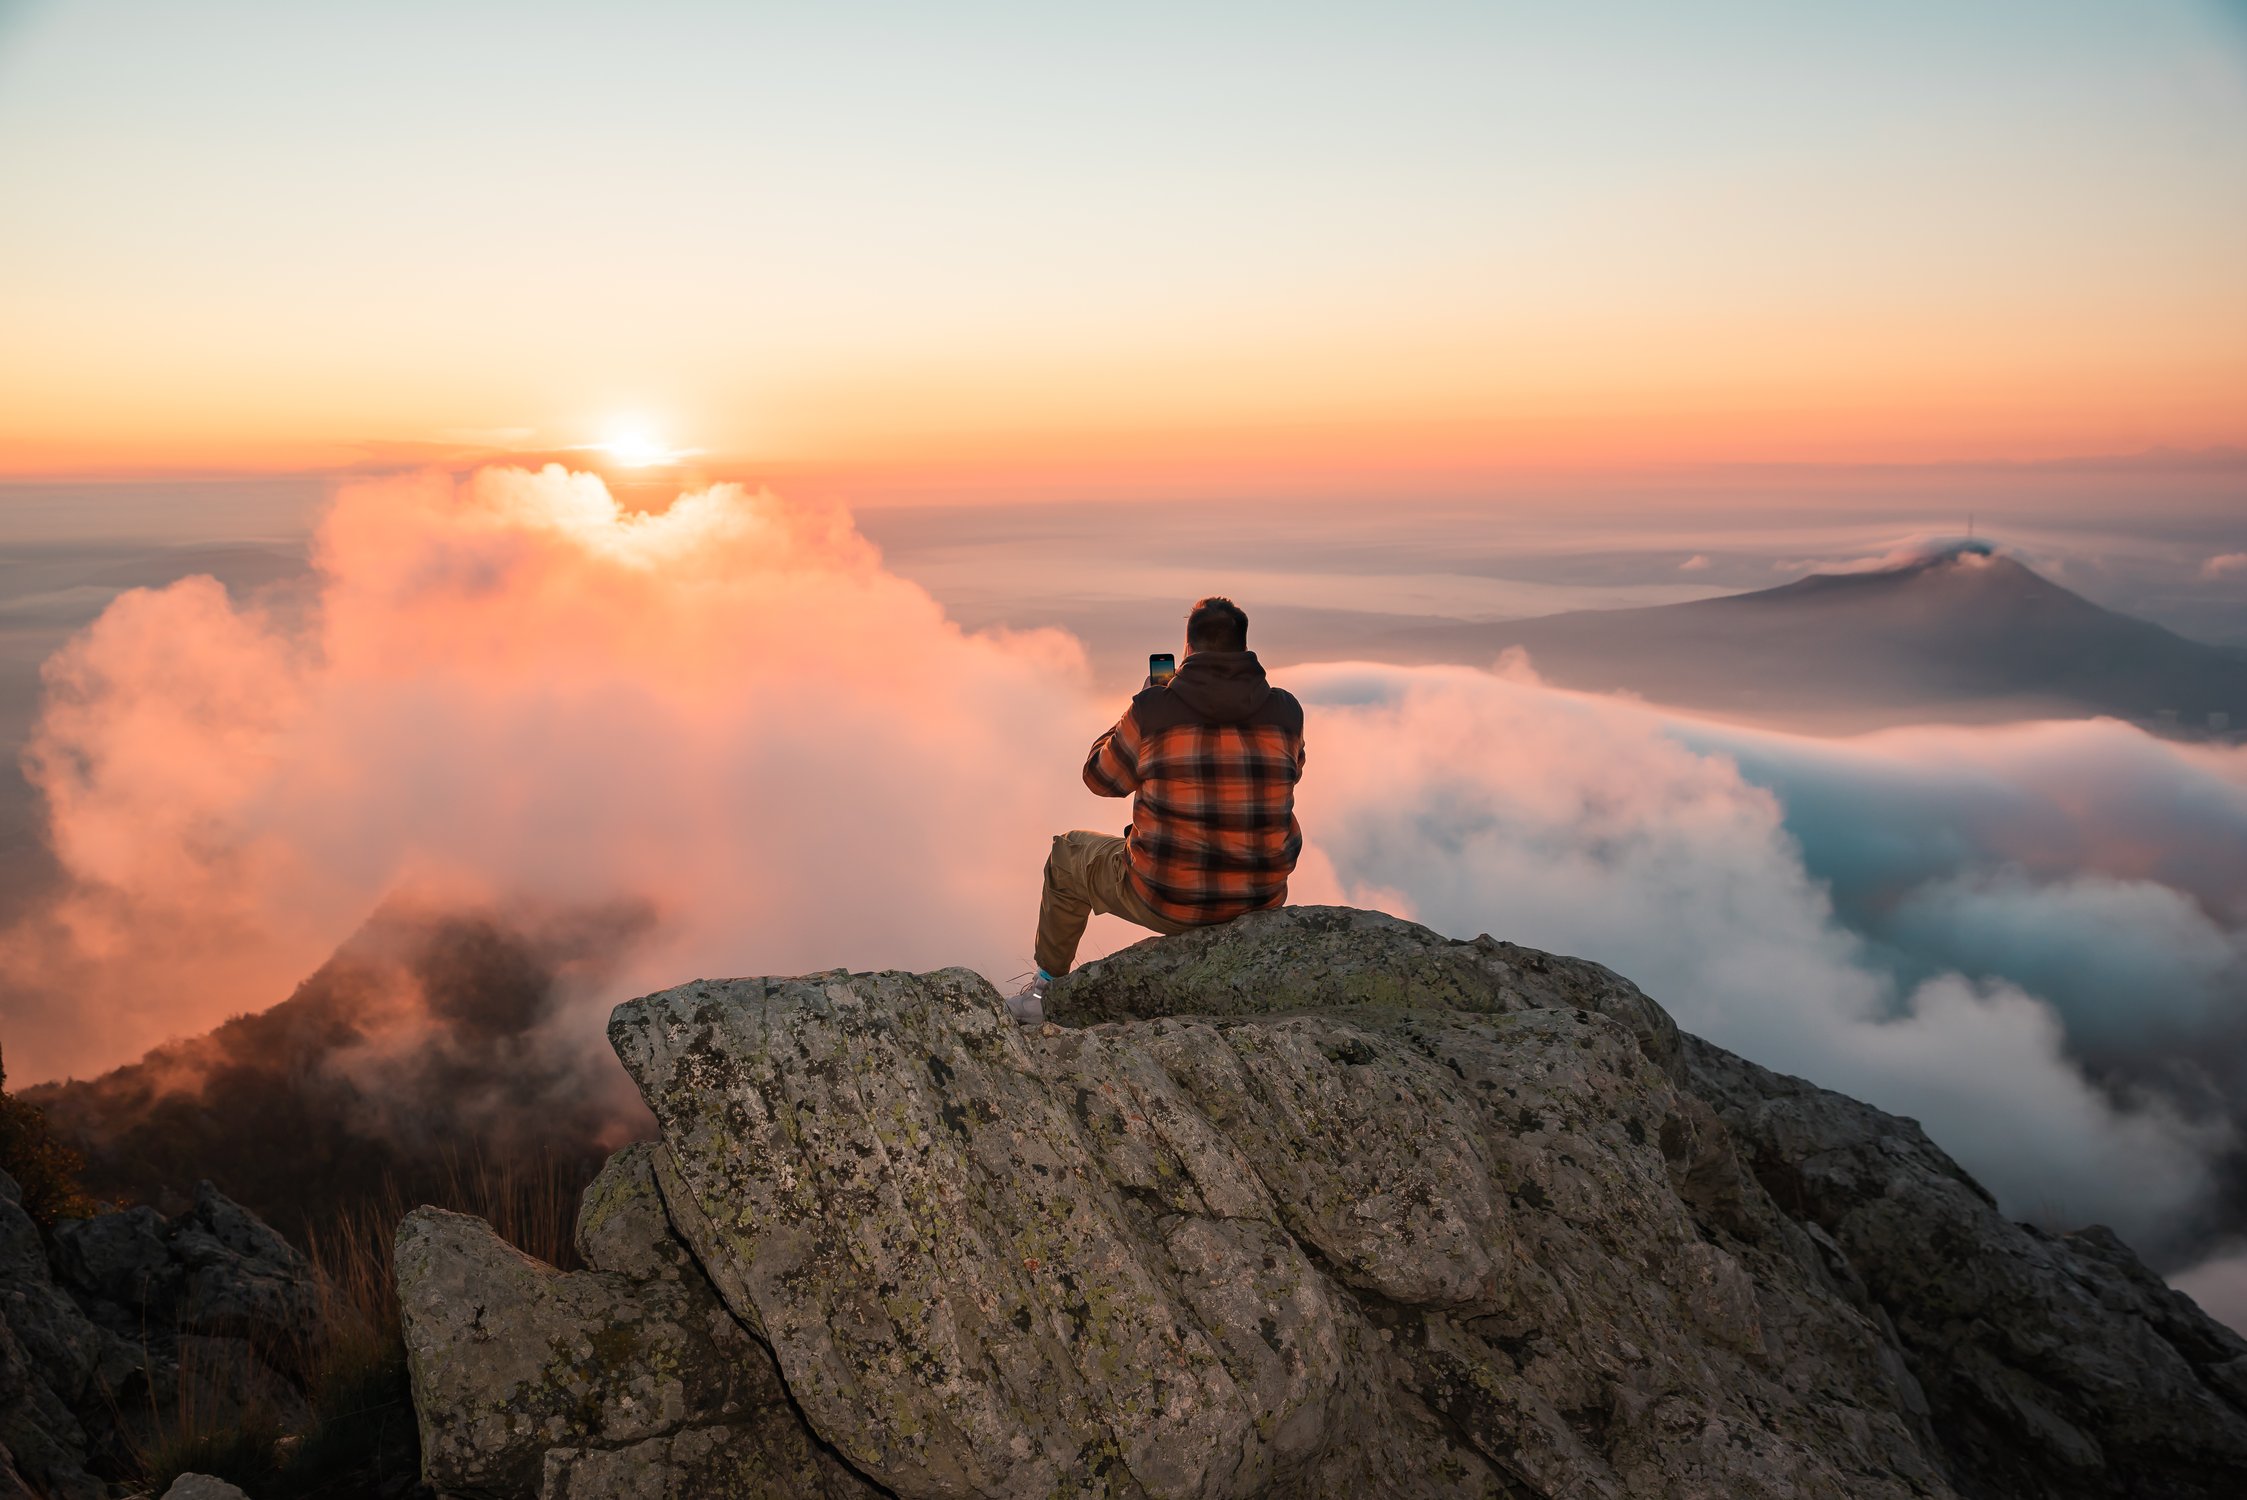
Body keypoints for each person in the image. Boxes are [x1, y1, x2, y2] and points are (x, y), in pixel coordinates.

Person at [1007, 596, 1305, 1023]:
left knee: (1066, 855)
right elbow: (1292, 772)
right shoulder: (1287, 711)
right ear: (1243, 648)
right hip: (1260, 897)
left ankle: (1043, 995)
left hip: (1167, 896)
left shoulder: (1154, 710)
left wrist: (1140, 704)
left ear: (1188, 650)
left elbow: (1099, 778)